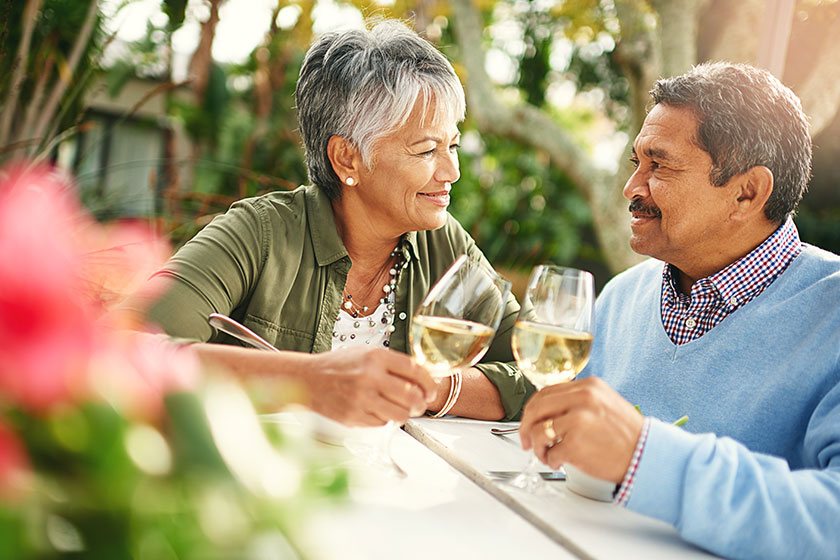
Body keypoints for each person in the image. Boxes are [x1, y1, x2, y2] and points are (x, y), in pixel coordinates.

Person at [125, 21, 532, 427]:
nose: (452, 172)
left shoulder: (445, 245)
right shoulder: (259, 233)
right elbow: (122, 353)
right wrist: (309, 382)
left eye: (453, 146)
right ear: (346, 159)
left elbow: (535, 373)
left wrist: (430, 387)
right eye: (427, 149)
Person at [519, 61, 840, 559]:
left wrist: (644, 458)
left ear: (747, 192)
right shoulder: (621, 296)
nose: (632, 188)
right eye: (636, 163)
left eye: (660, 166)